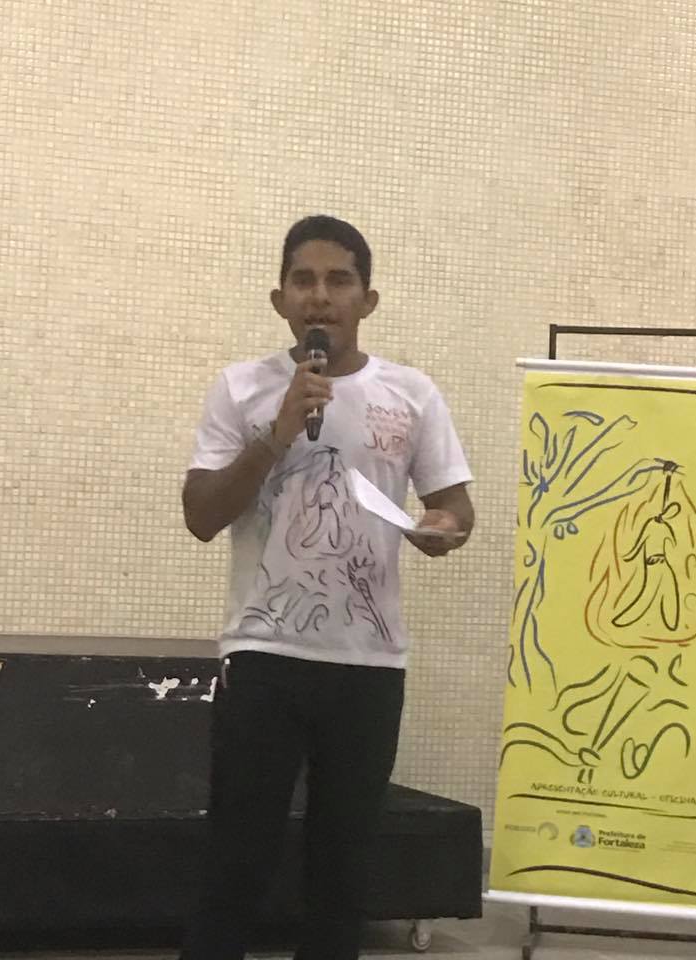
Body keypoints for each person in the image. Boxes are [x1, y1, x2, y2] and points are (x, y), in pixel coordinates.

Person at [181, 215, 474, 960]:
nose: (320, 296)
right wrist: (277, 431)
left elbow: (455, 509)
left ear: (367, 300)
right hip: (263, 656)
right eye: (303, 281)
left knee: (342, 876)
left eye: (339, 281)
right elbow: (202, 516)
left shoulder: (411, 394)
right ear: (279, 299)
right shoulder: (242, 388)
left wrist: (442, 527)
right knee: (235, 864)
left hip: (367, 665)